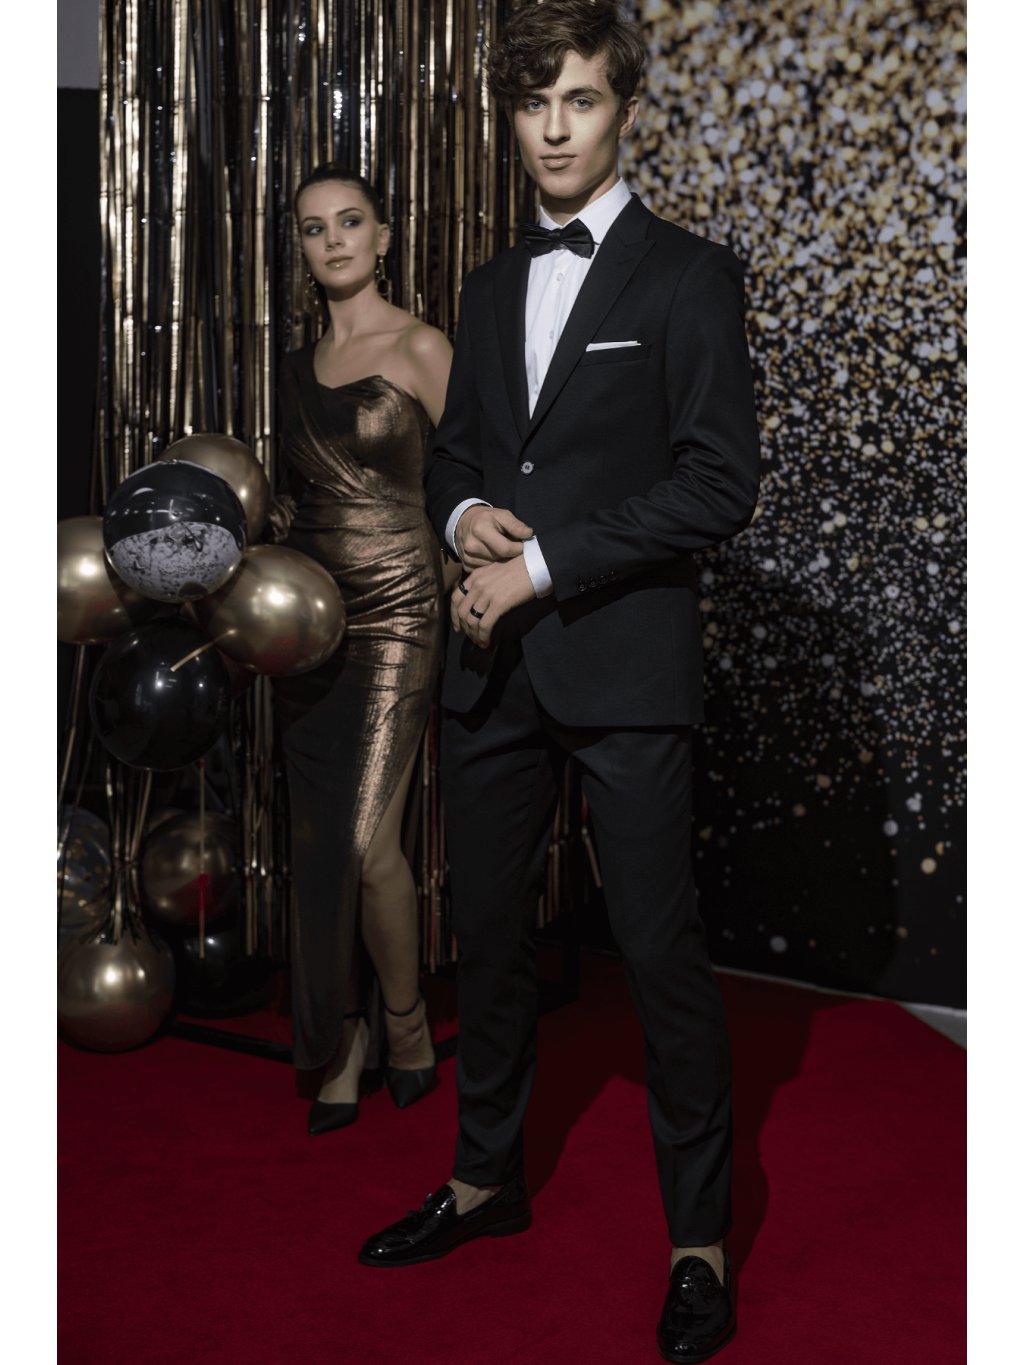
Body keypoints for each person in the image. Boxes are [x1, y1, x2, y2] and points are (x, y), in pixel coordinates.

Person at [357, 2, 761, 1360]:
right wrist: (463, 512)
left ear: (625, 110)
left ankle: (699, 1244)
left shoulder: (690, 277)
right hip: (494, 676)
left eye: (579, 100)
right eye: (533, 104)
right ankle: (485, 1182)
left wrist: (539, 565)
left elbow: (719, 484)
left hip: (624, 672)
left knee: (655, 956)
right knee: (491, 941)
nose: (553, 128)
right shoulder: (486, 287)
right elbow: (462, 452)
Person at [270, 164, 456, 1136]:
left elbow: (470, 486)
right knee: (318, 847)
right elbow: (291, 504)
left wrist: (472, 591)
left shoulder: (423, 347)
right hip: (311, 628)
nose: (334, 239)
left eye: (350, 222)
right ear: (301, 248)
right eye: (314, 228)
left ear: (384, 237)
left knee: (369, 846)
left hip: (400, 617)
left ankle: (405, 1019)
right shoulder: (292, 370)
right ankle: (343, 1038)